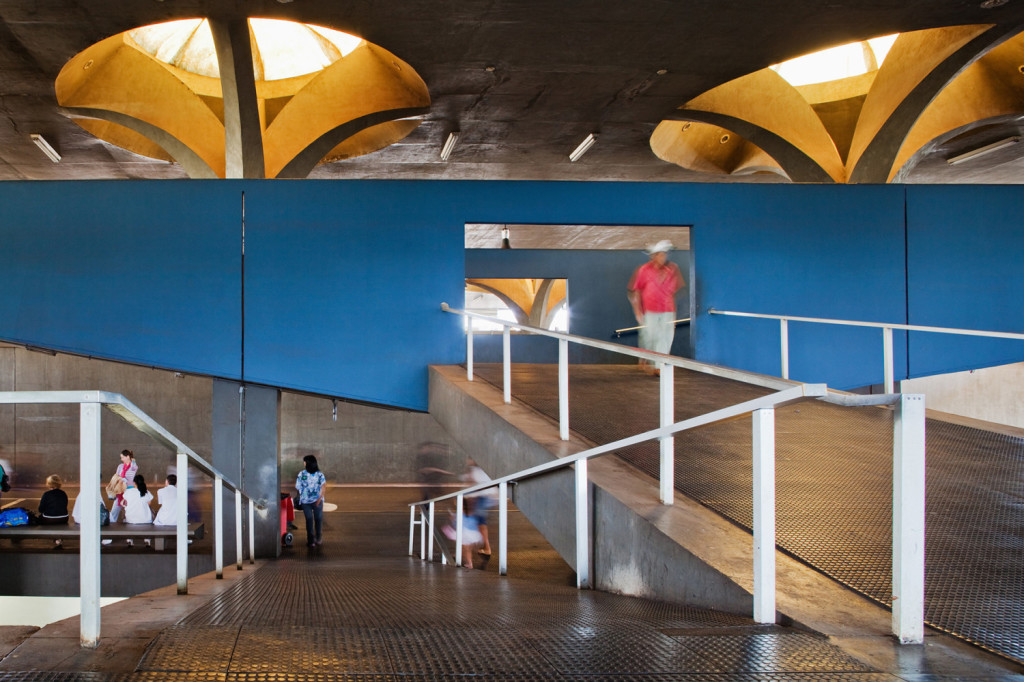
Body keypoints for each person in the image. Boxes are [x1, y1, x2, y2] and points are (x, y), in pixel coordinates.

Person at [627, 239, 686, 374]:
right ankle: (645, 358)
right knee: (649, 337)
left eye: (664, 254)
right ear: (653, 256)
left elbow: (677, 290)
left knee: (664, 338)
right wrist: (638, 312)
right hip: (650, 311)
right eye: (660, 254)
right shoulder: (643, 270)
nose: (663, 257)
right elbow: (636, 291)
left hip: (668, 310)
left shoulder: (672, 269)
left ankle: (659, 367)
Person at [462, 458, 496, 564]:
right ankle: (483, 548)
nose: (468, 461)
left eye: (470, 459)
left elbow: (478, 484)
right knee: (479, 523)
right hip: (481, 498)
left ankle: (470, 553)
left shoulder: (481, 469)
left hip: (482, 498)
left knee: (476, 523)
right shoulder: (477, 468)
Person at [295, 454, 326, 547]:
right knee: (313, 519)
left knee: (314, 519)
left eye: (305, 461)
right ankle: (313, 540)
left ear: (308, 463)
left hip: (315, 501)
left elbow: (323, 487)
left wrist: (319, 499)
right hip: (307, 502)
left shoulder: (319, 475)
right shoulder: (302, 474)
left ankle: (315, 539)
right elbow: (298, 486)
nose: (304, 463)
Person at [122, 474, 153, 546]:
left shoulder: (128, 492)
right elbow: (149, 503)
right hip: (145, 520)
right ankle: (147, 540)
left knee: (126, 517)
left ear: (134, 483)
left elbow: (125, 502)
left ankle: (129, 539)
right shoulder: (146, 492)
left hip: (131, 520)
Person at [38, 474, 69, 547]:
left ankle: (56, 538)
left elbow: (40, 509)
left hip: (49, 519)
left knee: (42, 517)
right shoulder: (63, 493)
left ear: (49, 484)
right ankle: (58, 538)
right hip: (63, 518)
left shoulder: (46, 494)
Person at [108, 449, 138, 523]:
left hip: (129, 490)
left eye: (123, 457)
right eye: (121, 458)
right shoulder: (120, 466)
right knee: (115, 509)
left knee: (129, 509)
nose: (121, 459)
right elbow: (117, 476)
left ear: (128, 457)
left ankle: (128, 522)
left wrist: (133, 460)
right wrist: (118, 480)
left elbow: (131, 476)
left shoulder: (133, 466)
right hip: (120, 490)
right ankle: (111, 522)